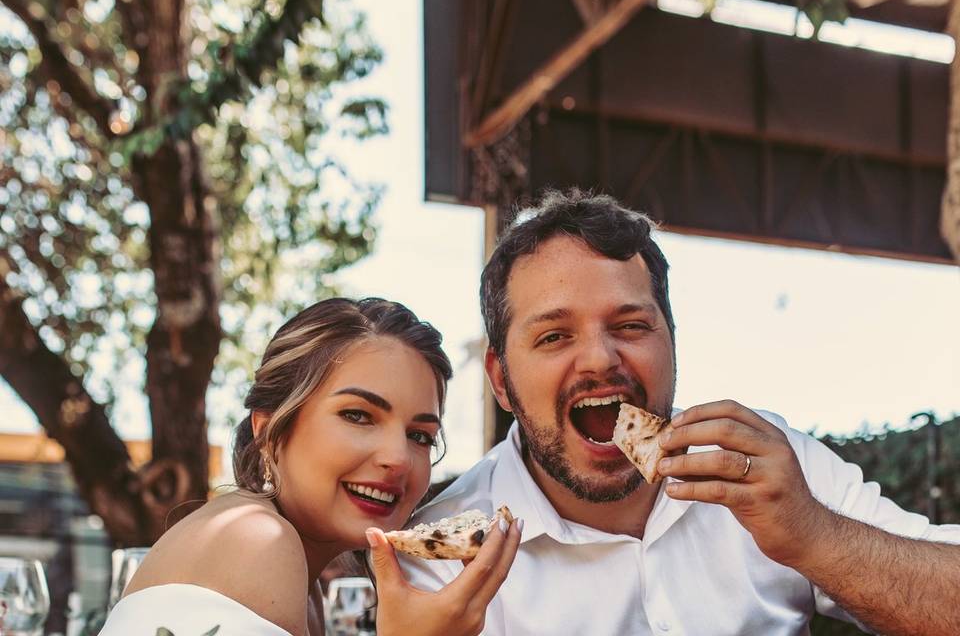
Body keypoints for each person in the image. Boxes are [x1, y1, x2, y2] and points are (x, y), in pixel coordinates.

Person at [398, 189, 960, 636]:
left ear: (672, 343)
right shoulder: (443, 554)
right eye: (554, 336)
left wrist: (812, 535)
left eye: (631, 326)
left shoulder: (765, 465)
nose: (599, 357)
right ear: (500, 379)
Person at [99, 297, 522, 636]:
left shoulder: (305, 586)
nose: (396, 458)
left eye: (420, 436)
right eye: (357, 415)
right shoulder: (255, 540)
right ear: (269, 430)